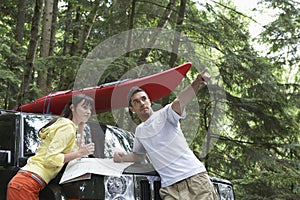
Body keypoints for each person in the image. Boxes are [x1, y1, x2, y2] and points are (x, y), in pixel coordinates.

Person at [113, 69, 219, 200]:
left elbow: (180, 101)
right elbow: (138, 156)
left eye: (143, 99)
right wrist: (121, 158)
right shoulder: (139, 131)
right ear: (132, 109)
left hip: (194, 178)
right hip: (170, 188)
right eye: (136, 102)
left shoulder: (165, 114)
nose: (141, 103)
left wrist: (196, 83)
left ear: (149, 101)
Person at [6, 94, 95, 200]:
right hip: (26, 184)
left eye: (90, 109)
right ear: (72, 107)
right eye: (84, 107)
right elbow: (51, 158)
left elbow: (78, 150)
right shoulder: (67, 127)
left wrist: (81, 126)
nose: (88, 112)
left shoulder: (66, 125)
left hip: (26, 183)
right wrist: (79, 153)